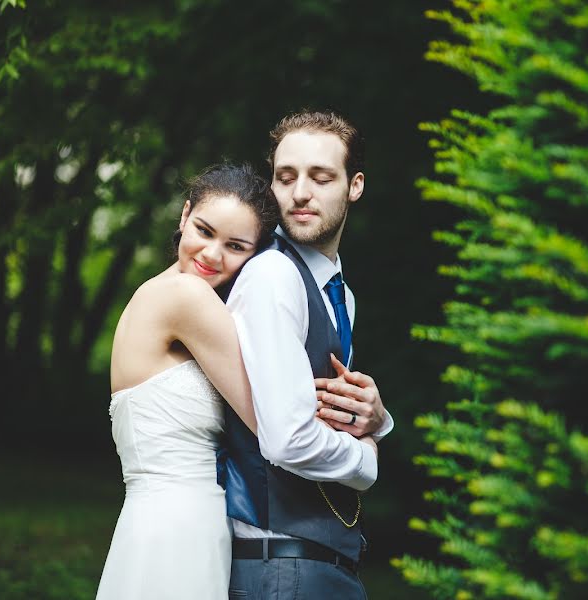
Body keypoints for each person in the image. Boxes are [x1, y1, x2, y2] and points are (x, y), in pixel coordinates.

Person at [221, 110, 394, 598]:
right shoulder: (274, 275)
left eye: (321, 178)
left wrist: (377, 419)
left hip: (320, 564)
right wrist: (368, 459)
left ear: (354, 185)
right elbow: (288, 440)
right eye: (285, 177)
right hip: (280, 563)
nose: (299, 193)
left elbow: (329, 407)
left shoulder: (338, 292)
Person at [96, 163, 280, 600]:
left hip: (152, 521)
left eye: (235, 246)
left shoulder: (152, 292)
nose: (213, 254)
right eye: (204, 230)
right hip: (180, 526)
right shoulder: (186, 296)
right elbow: (274, 419)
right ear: (183, 217)